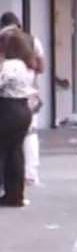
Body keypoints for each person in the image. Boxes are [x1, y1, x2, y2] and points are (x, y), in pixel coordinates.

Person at [0, 12, 45, 187]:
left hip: (10, 104)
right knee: (26, 138)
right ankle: (30, 174)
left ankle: (13, 182)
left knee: (10, 146)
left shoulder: (10, 64)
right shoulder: (33, 42)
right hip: (29, 97)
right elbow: (41, 67)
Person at [0, 30, 37, 207]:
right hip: (22, 109)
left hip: (9, 109)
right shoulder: (26, 65)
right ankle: (15, 195)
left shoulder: (11, 65)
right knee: (15, 152)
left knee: (4, 151)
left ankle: (9, 192)